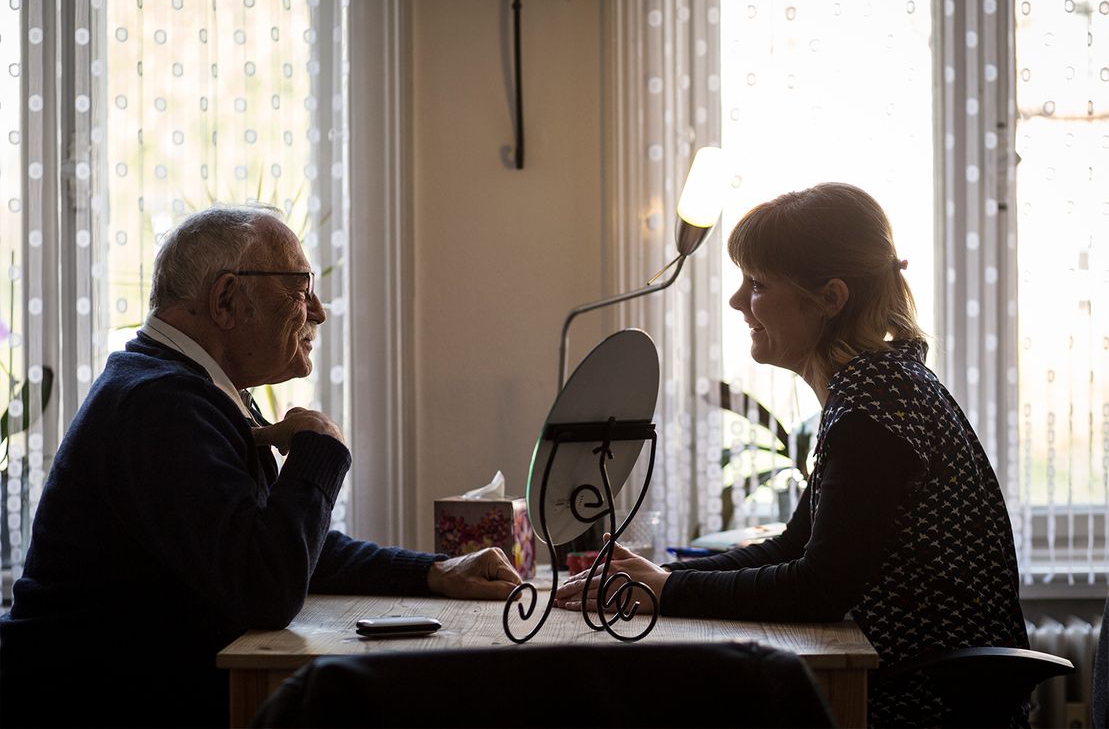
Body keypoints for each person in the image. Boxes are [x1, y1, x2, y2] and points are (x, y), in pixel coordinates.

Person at [0, 205, 521, 728]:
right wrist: (320, 448)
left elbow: (275, 541)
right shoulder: (161, 405)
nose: (318, 310)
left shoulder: (180, 387)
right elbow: (265, 587)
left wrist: (431, 571)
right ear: (226, 300)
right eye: (300, 289)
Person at [555, 183, 1029, 727]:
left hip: (927, 705)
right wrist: (658, 576)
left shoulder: (874, 404)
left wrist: (669, 589)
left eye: (756, 284)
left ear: (830, 298)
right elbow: (793, 545)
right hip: (925, 688)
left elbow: (817, 588)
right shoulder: (878, 389)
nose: (737, 302)